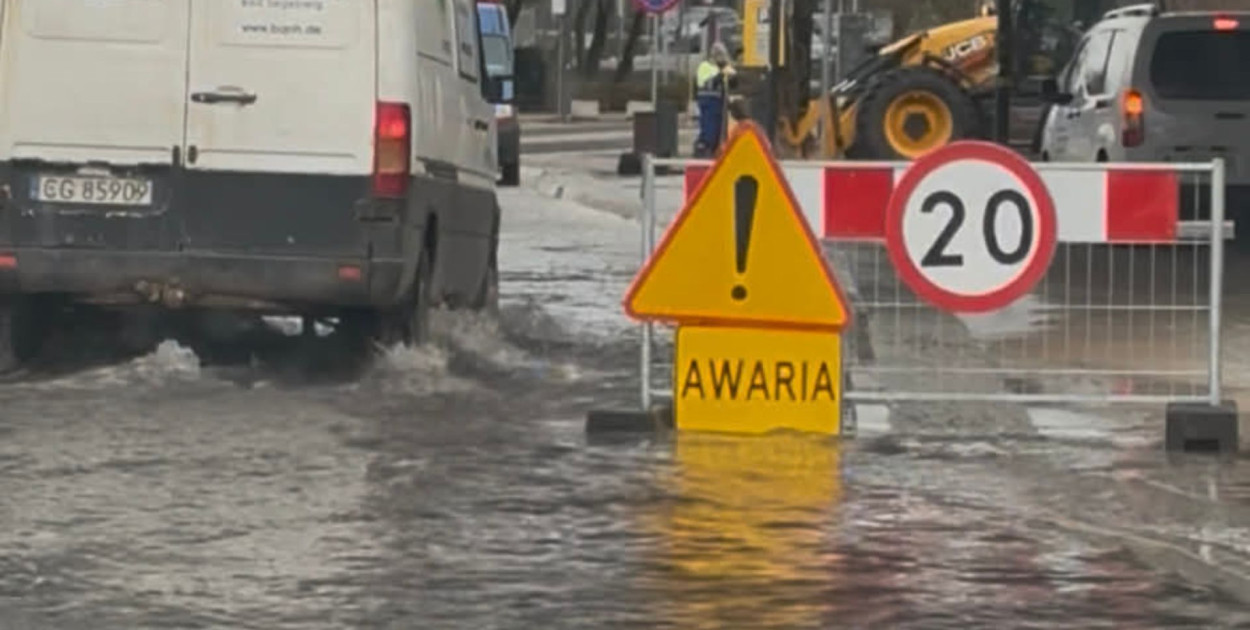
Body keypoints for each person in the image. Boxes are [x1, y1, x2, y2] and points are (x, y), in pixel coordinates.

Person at [693, 42, 736, 157]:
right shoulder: (704, 66)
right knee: (709, 129)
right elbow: (706, 82)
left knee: (718, 131)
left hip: (718, 103)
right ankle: (703, 150)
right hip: (708, 101)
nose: (720, 59)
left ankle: (711, 151)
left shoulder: (723, 67)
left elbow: (732, 81)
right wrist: (720, 76)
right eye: (719, 55)